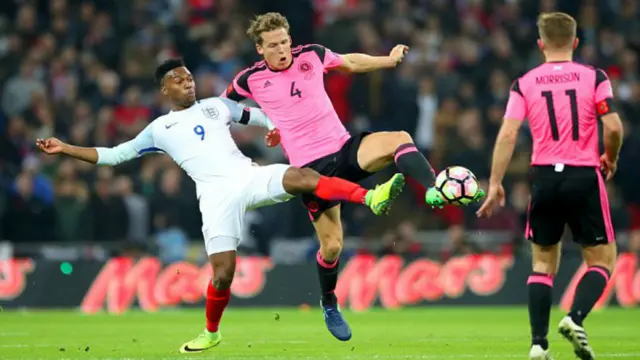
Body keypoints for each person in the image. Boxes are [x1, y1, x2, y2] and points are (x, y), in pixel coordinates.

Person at [36, 58, 407, 354]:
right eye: (179, 80)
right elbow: (113, 155)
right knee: (223, 273)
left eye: (190, 77)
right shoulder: (158, 130)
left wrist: (271, 126)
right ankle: (211, 333)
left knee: (301, 176)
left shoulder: (216, 106)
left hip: (247, 175)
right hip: (215, 196)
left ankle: (370, 196)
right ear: (165, 88)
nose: (188, 83)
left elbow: (253, 114)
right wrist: (65, 148)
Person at [223, 12, 485, 341]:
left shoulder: (312, 55)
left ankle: (434, 188)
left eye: (285, 42)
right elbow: (222, 110)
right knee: (332, 247)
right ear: (260, 49)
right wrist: (263, 123)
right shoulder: (249, 80)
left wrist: (388, 61)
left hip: (344, 148)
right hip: (311, 172)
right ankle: (329, 303)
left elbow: (349, 62)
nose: (282, 50)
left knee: (399, 138)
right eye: (273, 45)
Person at [476, 12, 623, 360]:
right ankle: (574, 318)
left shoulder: (524, 82)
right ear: (575, 42)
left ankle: (538, 345)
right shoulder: (595, 77)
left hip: (543, 177)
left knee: (542, 264)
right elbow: (614, 126)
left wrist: (495, 182)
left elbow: (508, 133)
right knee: (602, 259)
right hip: (583, 174)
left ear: (540, 44)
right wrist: (610, 157)